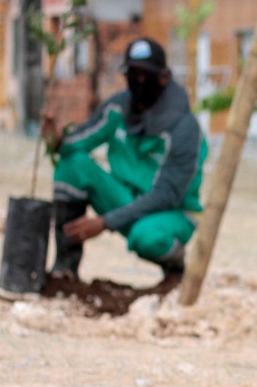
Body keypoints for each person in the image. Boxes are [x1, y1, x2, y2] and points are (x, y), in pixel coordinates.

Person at [43, 37, 207, 284]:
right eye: (132, 73)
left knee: (147, 237)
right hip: (124, 199)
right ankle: (65, 268)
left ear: (163, 77)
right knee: (72, 164)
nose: (138, 81)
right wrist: (55, 139)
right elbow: (74, 145)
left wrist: (104, 222)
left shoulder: (184, 128)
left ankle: (174, 263)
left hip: (170, 212)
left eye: (145, 75)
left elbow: (166, 195)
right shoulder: (118, 108)